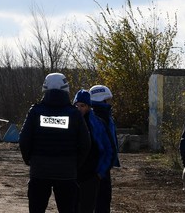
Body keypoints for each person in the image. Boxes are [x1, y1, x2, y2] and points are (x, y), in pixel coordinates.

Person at [19, 73, 91, 213]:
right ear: (66, 89)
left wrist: (30, 160)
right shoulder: (74, 113)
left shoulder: (35, 111)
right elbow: (86, 143)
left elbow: (24, 139)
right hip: (66, 172)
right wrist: (75, 164)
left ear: (44, 88)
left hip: (39, 171)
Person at [73, 89, 113, 213]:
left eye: (82, 106)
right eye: (76, 105)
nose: (79, 108)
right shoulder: (70, 122)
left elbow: (108, 150)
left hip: (90, 176)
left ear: (89, 107)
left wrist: (100, 173)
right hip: (72, 175)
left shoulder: (98, 124)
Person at [89, 84, 120, 213]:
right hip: (101, 167)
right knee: (102, 203)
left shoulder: (94, 116)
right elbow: (108, 146)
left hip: (97, 167)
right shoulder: (102, 117)